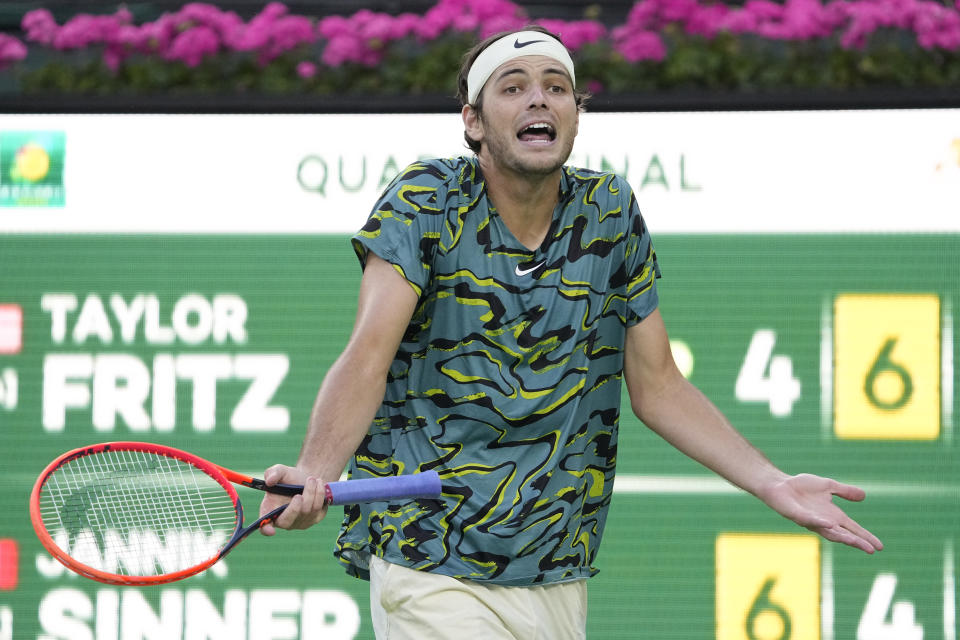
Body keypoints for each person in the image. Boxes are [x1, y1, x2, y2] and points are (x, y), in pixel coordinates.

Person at [259, 25, 883, 639]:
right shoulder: (427, 200)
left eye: (557, 88)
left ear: (575, 116)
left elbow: (659, 385)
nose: (539, 99)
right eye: (513, 87)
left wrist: (771, 482)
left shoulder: (608, 212)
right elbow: (369, 354)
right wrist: (315, 471)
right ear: (473, 121)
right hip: (430, 557)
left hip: (557, 567)